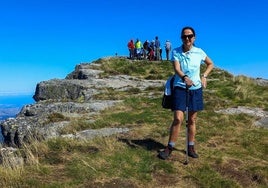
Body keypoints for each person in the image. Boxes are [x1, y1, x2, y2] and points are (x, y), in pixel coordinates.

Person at [158, 26, 214, 160]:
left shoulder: (199, 52)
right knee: (178, 118)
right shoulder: (176, 51)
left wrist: (204, 76)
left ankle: (191, 146)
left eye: (189, 36)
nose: (187, 38)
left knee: (192, 120)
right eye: (184, 36)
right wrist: (184, 78)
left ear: (194, 38)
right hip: (180, 87)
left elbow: (210, 64)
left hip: (196, 89)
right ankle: (169, 147)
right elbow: (176, 68)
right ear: (181, 38)